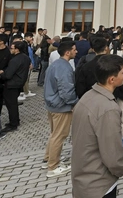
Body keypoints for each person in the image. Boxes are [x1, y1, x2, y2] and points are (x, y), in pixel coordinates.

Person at [71, 55, 123, 198]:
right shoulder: (108, 108)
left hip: (83, 176)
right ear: (111, 79)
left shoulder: (88, 96)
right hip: (99, 183)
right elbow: (112, 155)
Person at [42, 39, 79, 178]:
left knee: (54, 134)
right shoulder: (64, 67)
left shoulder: (56, 64)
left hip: (52, 104)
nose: (77, 51)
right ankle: (53, 166)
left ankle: (48, 159)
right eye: (74, 49)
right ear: (68, 52)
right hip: (61, 107)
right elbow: (66, 90)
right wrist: (74, 103)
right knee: (59, 136)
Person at [0, 41, 31, 133]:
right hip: (19, 83)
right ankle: (15, 120)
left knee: (11, 105)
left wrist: (2, 74)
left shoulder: (15, 60)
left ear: (17, 49)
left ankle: (13, 124)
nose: (10, 50)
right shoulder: (26, 58)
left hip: (11, 84)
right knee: (13, 104)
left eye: (12, 48)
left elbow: (8, 75)